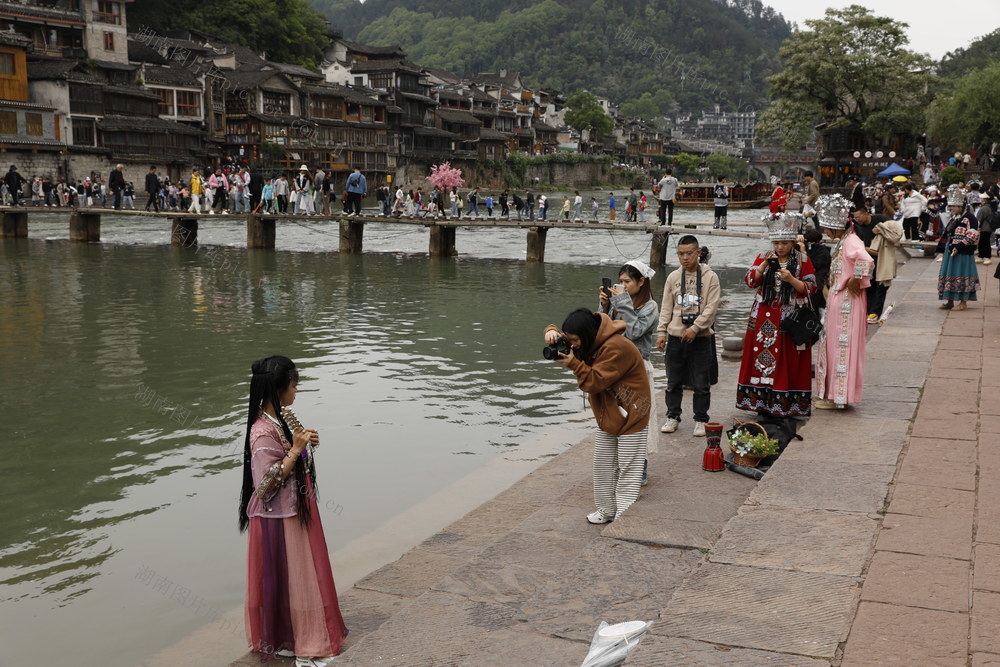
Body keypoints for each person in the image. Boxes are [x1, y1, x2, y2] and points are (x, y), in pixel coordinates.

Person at [239, 356, 348, 665]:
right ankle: (299, 640)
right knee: (296, 577)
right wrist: (297, 450)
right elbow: (264, 486)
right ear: (279, 388)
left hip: (293, 508)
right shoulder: (262, 432)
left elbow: (295, 462)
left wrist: (305, 445)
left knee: (303, 574)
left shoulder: (282, 419)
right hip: (279, 517)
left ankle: (301, 635)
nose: (296, 390)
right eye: (293, 384)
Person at [543, 309, 651, 524]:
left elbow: (595, 382)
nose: (572, 346)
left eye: (574, 341)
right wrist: (551, 331)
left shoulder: (615, 347)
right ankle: (607, 510)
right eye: (569, 340)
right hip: (609, 413)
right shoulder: (590, 341)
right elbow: (565, 337)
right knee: (603, 465)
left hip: (633, 413)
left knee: (628, 469)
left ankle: (624, 517)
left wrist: (574, 364)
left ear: (588, 334)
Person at [736, 212, 817, 418]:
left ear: (792, 242)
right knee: (759, 358)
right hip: (763, 315)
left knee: (787, 359)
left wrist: (791, 279)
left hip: (789, 318)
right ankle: (761, 403)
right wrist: (762, 268)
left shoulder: (803, 260)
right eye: (776, 242)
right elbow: (750, 282)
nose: (779, 247)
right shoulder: (763, 257)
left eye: (784, 243)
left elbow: (810, 288)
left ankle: (786, 404)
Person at [601, 260, 660, 485]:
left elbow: (634, 331)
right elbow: (602, 328)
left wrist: (621, 301)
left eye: (627, 281)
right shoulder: (619, 302)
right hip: (615, 367)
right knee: (617, 416)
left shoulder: (650, 307)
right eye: (621, 281)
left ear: (641, 281)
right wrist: (605, 305)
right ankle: (619, 465)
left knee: (639, 417)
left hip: (637, 370)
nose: (622, 285)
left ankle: (640, 467)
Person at [813, 195, 874, 409]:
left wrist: (856, 281)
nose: (827, 233)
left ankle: (838, 396)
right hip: (839, 300)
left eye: (829, 229)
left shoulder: (851, 241)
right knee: (832, 346)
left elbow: (866, 260)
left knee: (842, 347)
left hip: (848, 303)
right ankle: (830, 392)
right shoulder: (844, 240)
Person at [657, 235, 721, 438]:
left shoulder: (711, 277)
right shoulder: (673, 277)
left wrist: (696, 327)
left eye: (689, 253)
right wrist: (661, 332)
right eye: (680, 254)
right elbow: (666, 307)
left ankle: (701, 419)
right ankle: (673, 416)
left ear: (698, 253)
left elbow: (711, 308)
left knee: (701, 383)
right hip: (676, 336)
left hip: (701, 338)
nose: (685, 258)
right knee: (673, 381)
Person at [853, 206, 902, 323]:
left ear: (866, 214)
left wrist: (881, 230)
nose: (857, 220)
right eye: (855, 218)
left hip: (882, 258)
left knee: (881, 287)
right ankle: (868, 311)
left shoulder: (880, 219)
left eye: (858, 217)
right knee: (869, 287)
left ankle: (874, 313)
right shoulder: (857, 227)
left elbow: (895, 231)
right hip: (866, 261)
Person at [938, 184, 981, 310]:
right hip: (951, 250)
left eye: (954, 207)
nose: (952, 209)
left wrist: (960, 246)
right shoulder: (955, 217)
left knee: (961, 275)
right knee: (949, 274)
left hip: (962, 252)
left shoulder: (969, 218)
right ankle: (950, 301)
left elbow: (973, 234)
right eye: (951, 207)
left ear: (961, 206)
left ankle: (963, 303)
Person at [797, 229, 831, 309]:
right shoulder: (805, 249)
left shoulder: (823, 252)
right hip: (802, 285)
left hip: (817, 287)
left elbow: (813, 266)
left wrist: (804, 252)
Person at [977, 193, 994, 265]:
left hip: (984, 227)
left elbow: (979, 219)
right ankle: (982, 256)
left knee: (984, 242)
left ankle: (986, 256)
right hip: (989, 227)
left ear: (986, 199)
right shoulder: (991, 206)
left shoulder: (984, 208)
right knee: (984, 242)